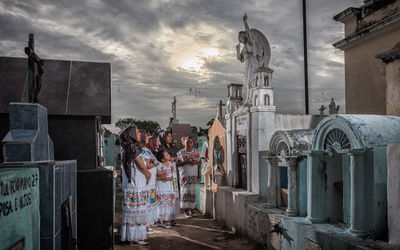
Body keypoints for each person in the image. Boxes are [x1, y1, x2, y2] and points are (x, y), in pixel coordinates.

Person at [119, 126, 151, 245]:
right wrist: (148, 174)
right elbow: (141, 166)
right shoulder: (133, 148)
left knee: (131, 211)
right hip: (136, 185)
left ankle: (130, 236)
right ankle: (136, 237)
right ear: (131, 135)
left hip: (130, 185)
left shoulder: (126, 148)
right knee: (137, 210)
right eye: (137, 133)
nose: (139, 135)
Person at [177, 136, 202, 217]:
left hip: (193, 174)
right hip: (184, 174)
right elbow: (177, 164)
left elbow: (200, 162)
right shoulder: (180, 152)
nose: (188, 144)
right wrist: (187, 162)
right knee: (185, 190)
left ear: (193, 143)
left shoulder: (196, 152)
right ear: (184, 142)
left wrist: (195, 162)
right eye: (187, 142)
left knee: (192, 190)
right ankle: (186, 211)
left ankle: (192, 209)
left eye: (190, 142)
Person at [139, 131, 158, 235]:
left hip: (149, 179)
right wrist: (155, 163)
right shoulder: (144, 150)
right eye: (145, 136)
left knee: (148, 203)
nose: (147, 137)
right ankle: (145, 226)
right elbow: (146, 165)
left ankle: (147, 225)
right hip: (148, 179)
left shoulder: (144, 149)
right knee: (147, 203)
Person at [155, 150, 179, 228]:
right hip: (161, 187)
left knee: (168, 204)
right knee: (161, 204)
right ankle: (160, 220)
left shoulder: (171, 164)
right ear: (162, 159)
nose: (168, 155)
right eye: (166, 155)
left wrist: (171, 177)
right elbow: (154, 178)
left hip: (169, 187)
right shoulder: (158, 165)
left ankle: (166, 220)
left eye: (167, 154)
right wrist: (163, 178)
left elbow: (172, 175)